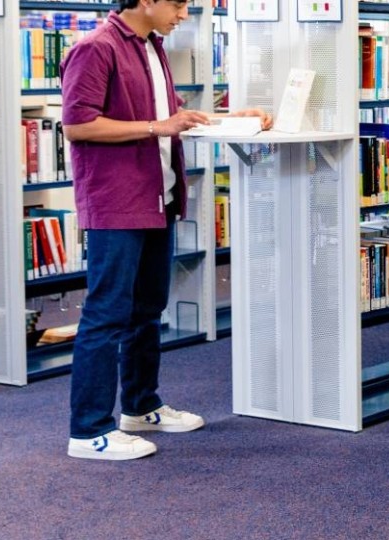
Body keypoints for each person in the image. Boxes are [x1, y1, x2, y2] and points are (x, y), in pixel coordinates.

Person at [59, 0, 267, 460]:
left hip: (158, 197)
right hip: (116, 201)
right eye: (177, 4)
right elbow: (78, 125)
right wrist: (158, 126)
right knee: (107, 313)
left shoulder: (152, 48)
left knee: (147, 309)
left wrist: (234, 117)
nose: (182, 14)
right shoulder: (96, 48)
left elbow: (173, 117)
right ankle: (88, 430)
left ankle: (140, 406)